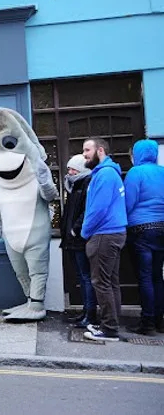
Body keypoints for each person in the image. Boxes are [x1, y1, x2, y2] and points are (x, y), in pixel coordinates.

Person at [81, 138, 128, 342]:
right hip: (113, 233)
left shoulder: (105, 174)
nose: (84, 154)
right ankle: (112, 324)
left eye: (87, 150)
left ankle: (109, 328)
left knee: (100, 282)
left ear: (100, 151)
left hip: (104, 234)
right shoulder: (109, 173)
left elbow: (98, 209)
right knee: (110, 282)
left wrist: (85, 231)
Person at [123, 139, 164, 335]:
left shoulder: (135, 173)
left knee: (145, 277)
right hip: (162, 228)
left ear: (137, 155)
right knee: (158, 276)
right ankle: (160, 320)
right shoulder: (162, 172)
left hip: (141, 229)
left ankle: (147, 323)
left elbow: (128, 203)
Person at [59, 154, 96, 328]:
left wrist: (75, 229)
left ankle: (90, 314)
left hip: (79, 239)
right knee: (82, 277)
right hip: (73, 239)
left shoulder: (86, 183)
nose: (70, 172)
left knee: (86, 276)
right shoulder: (75, 185)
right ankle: (85, 311)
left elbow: (86, 211)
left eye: (73, 169)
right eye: (69, 169)